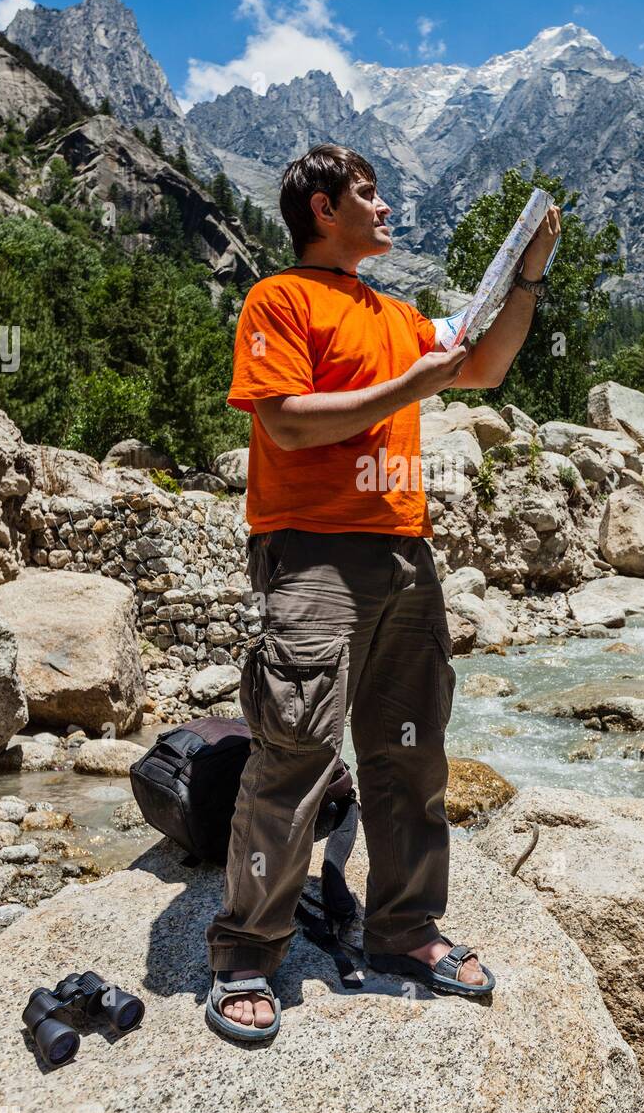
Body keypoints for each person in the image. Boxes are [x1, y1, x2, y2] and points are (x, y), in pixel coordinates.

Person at [204, 143, 561, 1039]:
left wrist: (525, 281)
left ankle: (405, 929)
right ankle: (247, 950)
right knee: (295, 749)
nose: (386, 204)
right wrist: (406, 385)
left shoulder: (395, 312)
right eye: (368, 192)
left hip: (406, 553)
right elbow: (283, 422)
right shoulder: (280, 299)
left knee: (410, 751)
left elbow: (481, 369)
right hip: (313, 554)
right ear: (323, 209)